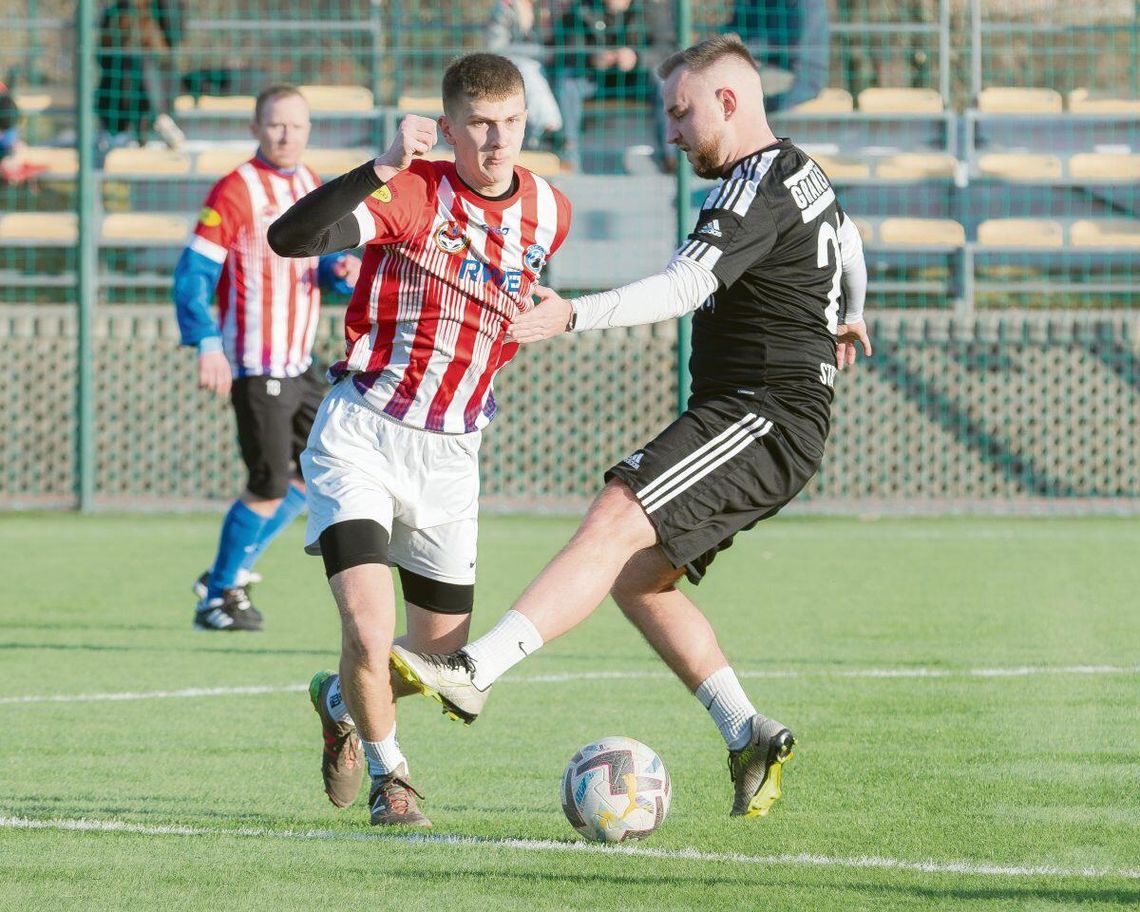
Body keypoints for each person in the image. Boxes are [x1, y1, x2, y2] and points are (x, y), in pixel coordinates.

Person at [390, 34, 871, 820]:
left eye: (681, 113)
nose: (671, 132)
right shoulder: (798, 169)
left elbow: (686, 287)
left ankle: (475, 670)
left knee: (617, 512)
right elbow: (847, 239)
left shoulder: (753, 185)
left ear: (728, 101)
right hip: (764, 411)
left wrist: (570, 313)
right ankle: (746, 731)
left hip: (763, 410)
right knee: (638, 574)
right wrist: (850, 311)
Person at [266, 54, 572, 827]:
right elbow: (289, 237)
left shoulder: (550, 210)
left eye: (509, 122)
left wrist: (549, 308)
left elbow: (517, 287)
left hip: (451, 454)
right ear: (451, 127)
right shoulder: (412, 191)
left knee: (435, 660)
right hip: (362, 434)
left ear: (525, 122)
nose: (496, 140)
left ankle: (338, 702)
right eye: (479, 124)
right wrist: (377, 167)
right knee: (369, 631)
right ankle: (390, 778)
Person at [174, 84, 360, 632]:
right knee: (268, 483)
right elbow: (193, 273)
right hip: (256, 363)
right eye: (276, 125)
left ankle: (226, 576)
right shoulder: (236, 189)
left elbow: (317, 262)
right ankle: (217, 599)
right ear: (256, 129)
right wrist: (206, 342)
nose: (287, 135)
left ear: (309, 131)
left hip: (300, 363)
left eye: (297, 126)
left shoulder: (308, 184)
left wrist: (336, 272)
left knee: (315, 474)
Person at [550, 0, 672, 171]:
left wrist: (636, 57)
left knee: (664, 82)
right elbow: (564, 50)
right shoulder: (581, 9)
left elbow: (667, 49)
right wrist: (591, 58)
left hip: (638, 78)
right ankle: (567, 158)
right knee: (567, 84)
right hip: (594, 79)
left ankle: (672, 157)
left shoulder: (650, 10)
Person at [95, 0, 187, 148]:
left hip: (158, 72)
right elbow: (102, 54)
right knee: (132, 67)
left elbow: (176, 36)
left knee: (144, 64)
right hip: (123, 77)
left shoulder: (161, 8)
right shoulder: (118, 9)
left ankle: (154, 123)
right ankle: (162, 119)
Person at [485, 0, 563, 150]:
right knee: (528, 70)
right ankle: (549, 126)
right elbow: (496, 48)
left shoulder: (548, 7)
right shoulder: (503, 8)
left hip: (547, 67)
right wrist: (538, 52)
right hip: (512, 67)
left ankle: (545, 135)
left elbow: (557, 43)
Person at [728, 0, 829, 114]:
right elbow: (735, 30)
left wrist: (743, 50)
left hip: (797, 80)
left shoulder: (807, 5)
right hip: (755, 66)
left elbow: (787, 41)